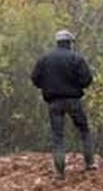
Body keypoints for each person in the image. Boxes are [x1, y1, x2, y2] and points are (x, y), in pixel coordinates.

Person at [31, 29, 95, 179]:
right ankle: (89, 163)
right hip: (74, 100)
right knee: (84, 131)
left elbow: (35, 79)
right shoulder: (76, 58)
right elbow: (87, 79)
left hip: (54, 102)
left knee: (57, 137)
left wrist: (47, 86)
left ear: (57, 42)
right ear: (69, 43)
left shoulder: (44, 59)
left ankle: (59, 172)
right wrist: (76, 86)